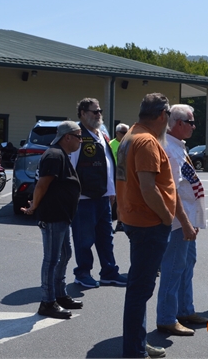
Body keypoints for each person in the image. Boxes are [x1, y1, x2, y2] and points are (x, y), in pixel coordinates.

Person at [116, 93, 196, 358]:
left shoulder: (129, 137)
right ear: (163, 115)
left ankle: (137, 343)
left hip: (134, 219)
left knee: (139, 289)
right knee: (140, 290)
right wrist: (166, 217)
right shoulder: (147, 142)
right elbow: (149, 189)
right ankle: (134, 351)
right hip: (148, 224)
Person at [22, 121, 83, 319]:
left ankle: (59, 294)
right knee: (52, 259)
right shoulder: (54, 155)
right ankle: (47, 302)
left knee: (64, 254)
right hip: (53, 216)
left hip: (63, 216)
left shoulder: (60, 154)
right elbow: (42, 184)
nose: (81, 141)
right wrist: (34, 206)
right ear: (67, 137)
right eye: (79, 136)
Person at [156, 104, 208, 337]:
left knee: (186, 266)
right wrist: (186, 223)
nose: (194, 126)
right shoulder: (169, 148)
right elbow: (172, 191)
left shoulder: (178, 147)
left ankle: (185, 310)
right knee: (174, 268)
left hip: (187, 219)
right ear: (178, 123)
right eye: (191, 122)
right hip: (178, 222)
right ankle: (167, 318)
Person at [70, 98, 126, 288]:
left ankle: (109, 272)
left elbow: (108, 166)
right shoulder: (77, 136)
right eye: (95, 111)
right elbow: (71, 167)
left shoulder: (101, 135)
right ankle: (83, 273)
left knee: (106, 238)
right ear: (83, 113)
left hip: (103, 197)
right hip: (84, 198)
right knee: (84, 239)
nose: (99, 114)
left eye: (100, 111)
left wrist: (112, 193)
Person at [110, 123, 130, 233]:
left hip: (127, 175)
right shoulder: (111, 144)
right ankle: (110, 222)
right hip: (114, 175)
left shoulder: (129, 143)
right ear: (117, 133)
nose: (126, 134)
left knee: (124, 200)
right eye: (123, 132)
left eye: (127, 132)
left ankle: (121, 222)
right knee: (114, 199)